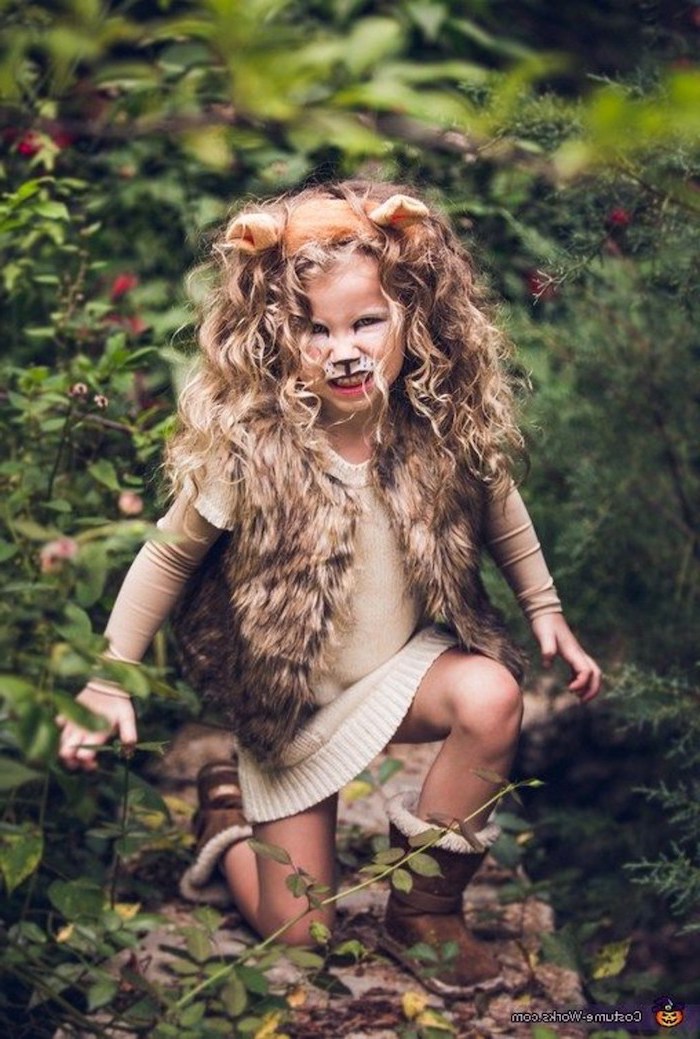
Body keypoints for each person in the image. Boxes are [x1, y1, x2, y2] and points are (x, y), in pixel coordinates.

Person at [57, 180, 601, 997]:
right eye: (314, 328)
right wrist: (106, 679)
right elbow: (167, 556)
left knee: (492, 693)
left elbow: (500, 507)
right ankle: (227, 822)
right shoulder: (254, 449)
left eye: (365, 322)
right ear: (275, 335)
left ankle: (424, 911)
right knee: (300, 934)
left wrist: (546, 609)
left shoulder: (436, 422)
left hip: (405, 669)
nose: (342, 348)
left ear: (413, 317)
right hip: (296, 702)